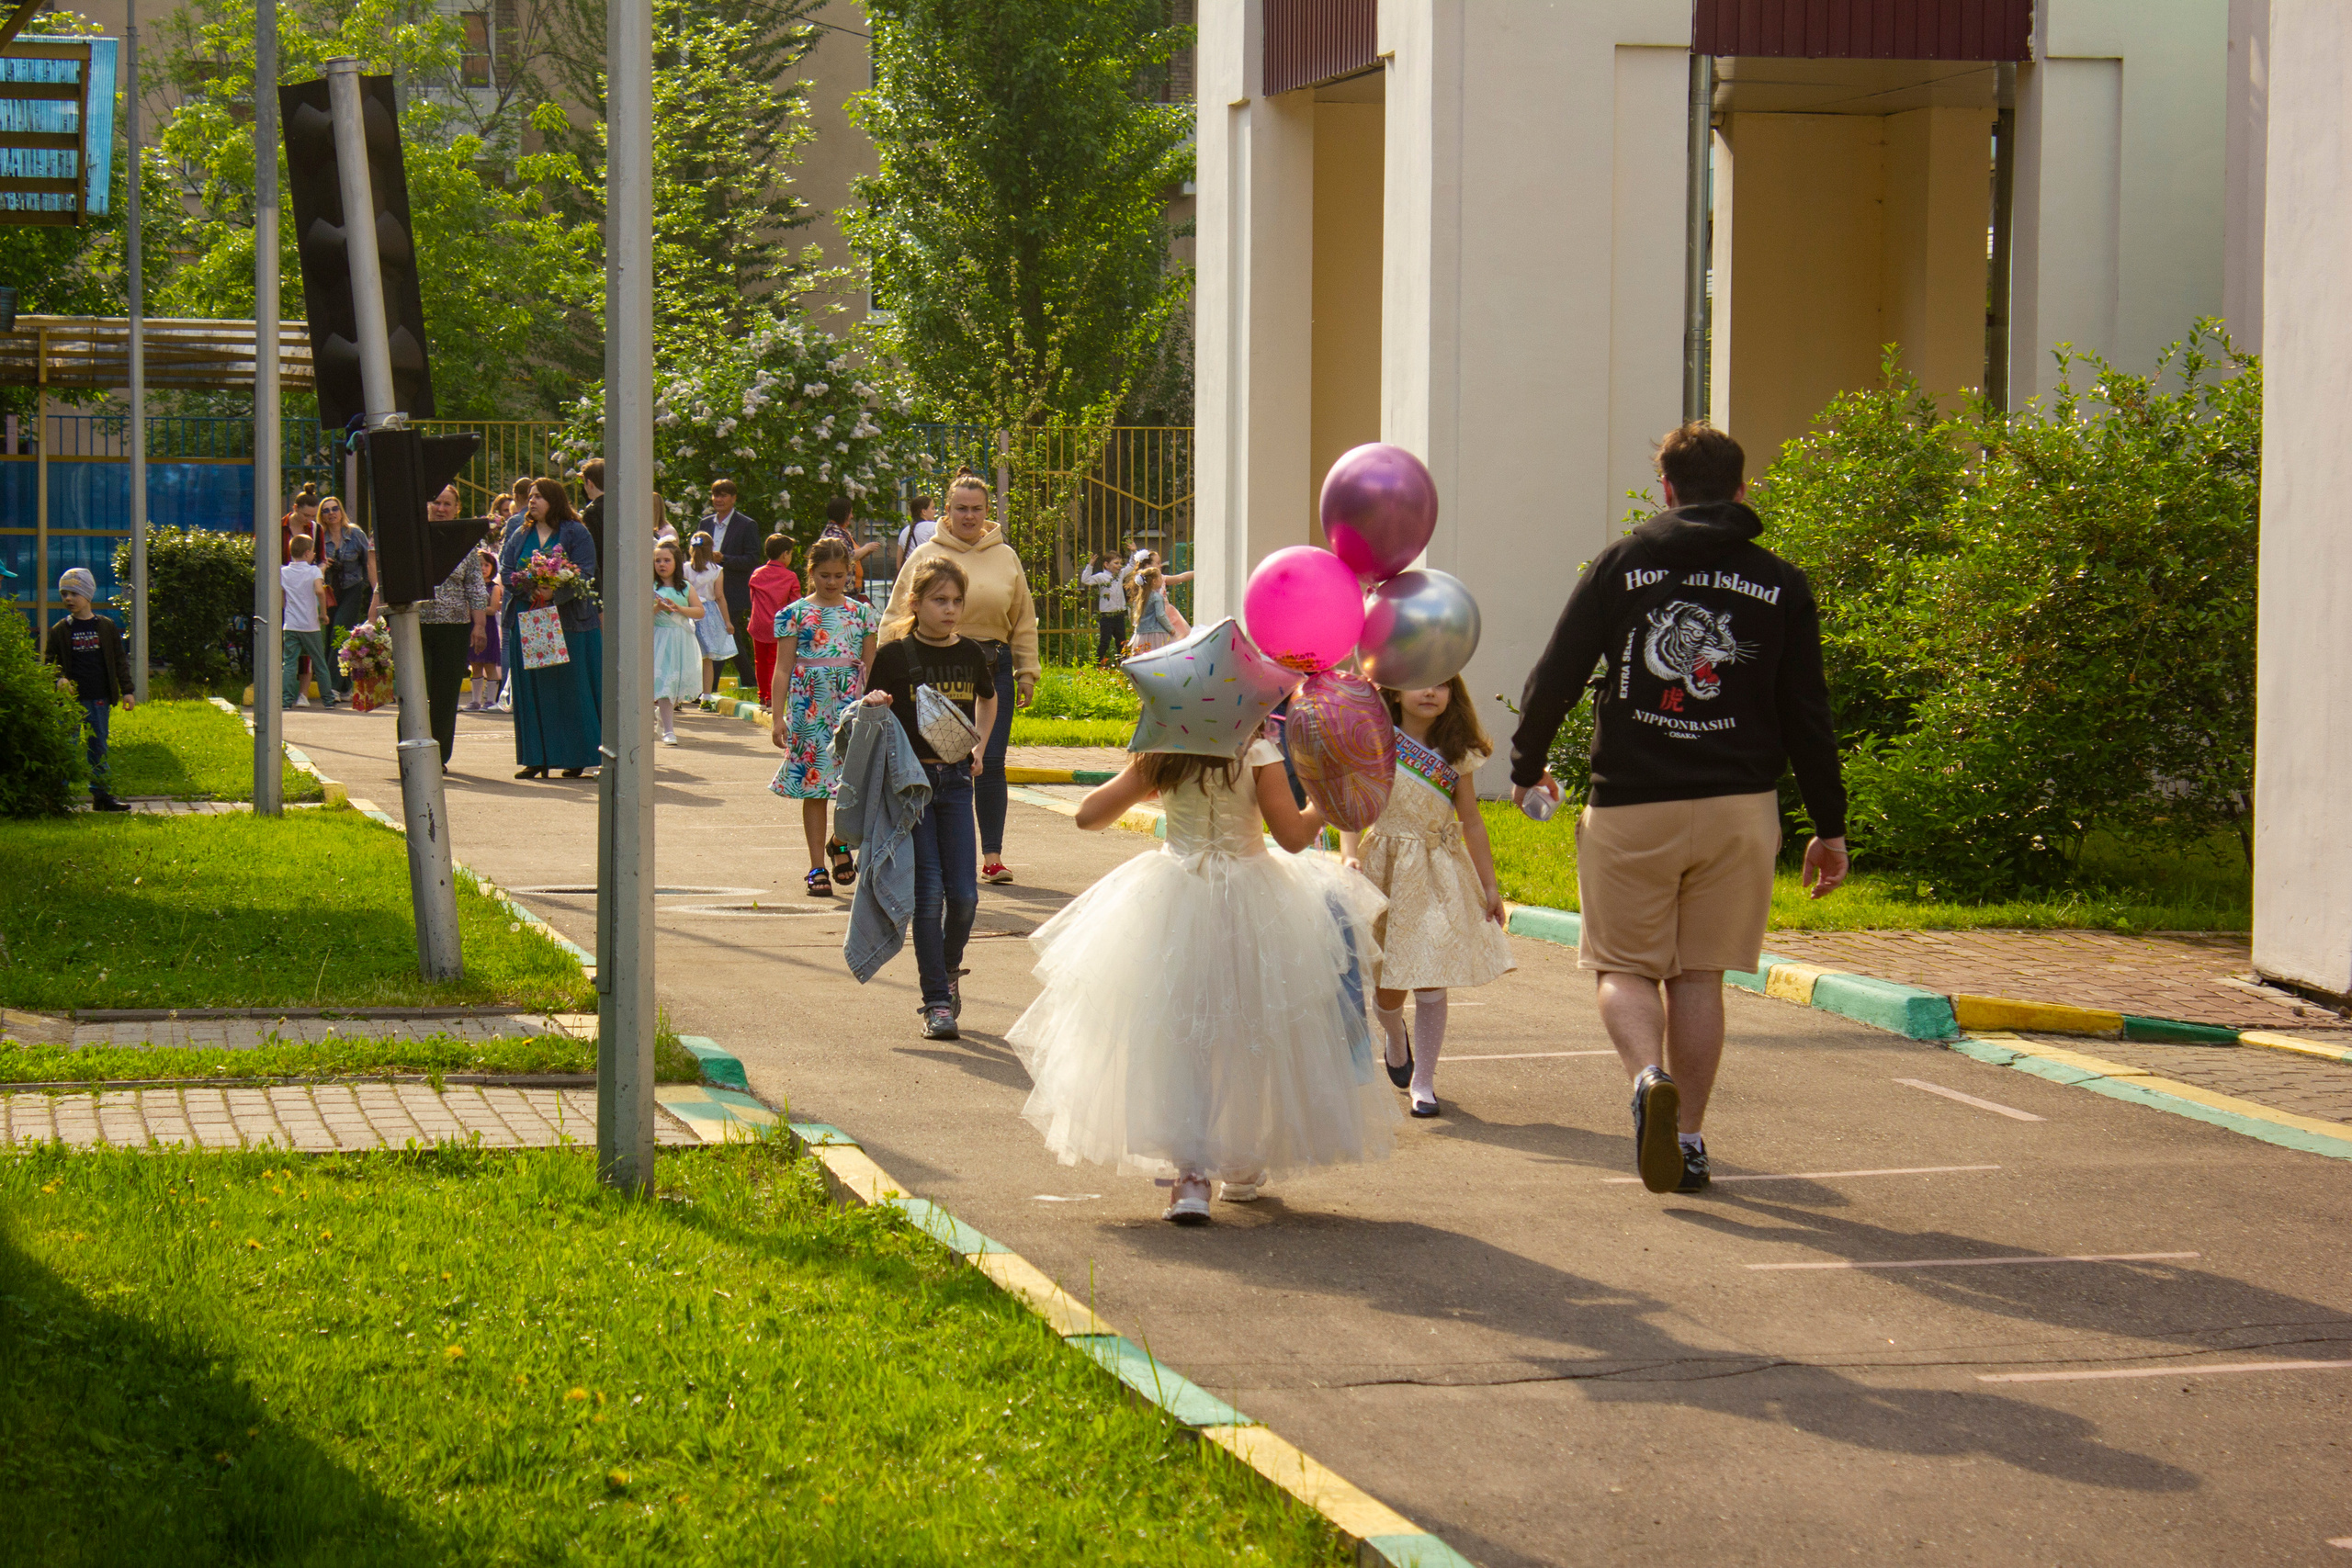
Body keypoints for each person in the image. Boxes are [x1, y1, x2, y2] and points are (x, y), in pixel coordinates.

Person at [1510, 422, 1849, 1196]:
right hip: (1738, 807)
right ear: (1740, 488)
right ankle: (1689, 1139)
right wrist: (1829, 827)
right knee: (1699, 978)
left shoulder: (1621, 566)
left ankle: (1645, 1078)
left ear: (1665, 487)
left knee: (1624, 966)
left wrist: (1527, 767)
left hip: (1633, 802)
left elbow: (1555, 676)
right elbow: (1807, 712)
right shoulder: (1781, 583)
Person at [1006, 728, 1394, 1223]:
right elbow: (1295, 838)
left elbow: (1087, 816)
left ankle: (1190, 1177)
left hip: (1176, 898)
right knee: (1251, 1031)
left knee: (1185, 1035)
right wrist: (1328, 800)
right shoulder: (1256, 752)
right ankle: (1239, 1160)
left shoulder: (1163, 752)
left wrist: (1150, 776)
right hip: (1253, 907)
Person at [1338, 676, 1513, 1119]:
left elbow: (1471, 820)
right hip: (1386, 868)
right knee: (1389, 987)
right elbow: (1353, 806)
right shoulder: (1376, 741)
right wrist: (1348, 857)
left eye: (1442, 685)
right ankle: (1395, 1036)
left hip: (1437, 869)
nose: (1431, 693)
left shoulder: (1458, 751)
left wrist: (1490, 886)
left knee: (1432, 971)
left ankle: (1425, 1081)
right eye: (1420, 684)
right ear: (1394, 690)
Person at [860, 556, 996, 1041]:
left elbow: (988, 695)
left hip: (957, 785)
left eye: (957, 601)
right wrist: (872, 703)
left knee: (963, 897)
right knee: (928, 896)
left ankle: (950, 966)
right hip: (912, 790)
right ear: (915, 603)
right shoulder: (896, 656)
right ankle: (936, 1001)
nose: (950, 609)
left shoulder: (974, 653)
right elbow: (871, 712)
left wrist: (978, 743)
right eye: (940, 600)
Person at [880, 468, 1038, 886]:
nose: (969, 517)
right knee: (931, 761)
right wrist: (887, 671)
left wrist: (1027, 670)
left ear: (988, 511)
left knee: (988, 761)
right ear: (946, 511)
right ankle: (925, 849)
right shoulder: (926, 554)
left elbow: (1023, 617)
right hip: (932, 668)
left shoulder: (1005, 555)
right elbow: (896, 613)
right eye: (961, 509)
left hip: (991, 666)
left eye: (977, 509)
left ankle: (992, 855)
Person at [769, 537, 879, 897]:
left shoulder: (862, 613)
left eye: (839, 575)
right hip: (809, 708)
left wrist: (874, 709)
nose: (831, 582)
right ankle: (817, 864)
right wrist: (777, 717)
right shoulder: (795, 614)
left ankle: (840, 843)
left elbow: (872, 666)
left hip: (850, 708)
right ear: (811, 572)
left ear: (849, 573)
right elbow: (783, 668)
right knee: (814, 787)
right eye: (824, 575)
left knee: (854, 786)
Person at [497, 477, 603, 779]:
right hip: (528, 616)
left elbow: (585, 571)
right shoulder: (520, 532)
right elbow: (506, 570)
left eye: (539, 496)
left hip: (568, 621)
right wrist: (528, 590)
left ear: (555, 500)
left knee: (569, 687)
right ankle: (536, 758)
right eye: (530, 496)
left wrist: (554, 592)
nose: (532, 501)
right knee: (532, 689)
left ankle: (576, 757)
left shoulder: (575, 531)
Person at [43, 567, 136, 811]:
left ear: (88, 594)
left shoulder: (105, 627)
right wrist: (59, 679)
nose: (68, 599)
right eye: (64, 594)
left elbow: (119, 660)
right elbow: (49, 662)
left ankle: (102, 796)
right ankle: (57, 797)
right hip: (70, 703)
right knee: (66, 747)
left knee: (98, 746)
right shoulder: (60, 630)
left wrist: (127, 690)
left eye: (74, 593)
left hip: (99, 699)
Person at [416, 483, 492, 770]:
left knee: (445, 694)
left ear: (457, 509)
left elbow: (475, 586)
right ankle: (411, 749)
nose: (441, 509)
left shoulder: (466, 544)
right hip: (416, 625)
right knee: (414, 689)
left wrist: (480, 626)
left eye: (447, 504)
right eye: (436, 502)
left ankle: (437, 757)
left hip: (454, 627)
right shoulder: (415, 537)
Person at [314, 494, 379, 706]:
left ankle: (331, 686)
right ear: (321, 515)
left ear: (341, 511)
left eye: (334, 509)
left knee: (339, 632)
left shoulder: (355, 533)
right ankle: (344, 687)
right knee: (332, 637)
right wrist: (324, 564)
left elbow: (367, 562)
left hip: (352, 589)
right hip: (329, 591)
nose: (331, 513)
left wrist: (374, 591)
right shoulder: (319, 536)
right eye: (326, 510)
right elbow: (311, 564)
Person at [702, 479, 763, 692]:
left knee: (722, 631)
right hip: (707, 590)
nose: (718, 499)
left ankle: (709, 688)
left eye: (724, 495)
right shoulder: (705, 524)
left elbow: (753, 559)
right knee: (730, 633)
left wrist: (724, 559)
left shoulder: (746, 525)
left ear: (734, 498)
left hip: (733, 591)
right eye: (715, 495)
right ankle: (749, 679)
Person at [650, 538, 706, 746]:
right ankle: (666, 728)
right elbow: (640, 617)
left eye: (666, 560)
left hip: (680, 641)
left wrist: (679, 609)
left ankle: (665, 723)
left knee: (672, 686)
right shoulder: (651, 586)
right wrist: (658, 608)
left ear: (676, 563)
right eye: (658, 561)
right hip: (658, 640)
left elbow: (700, 611)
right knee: (661, 684)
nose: (662, 564)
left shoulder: (685, 588)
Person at [747, 535, 800, 707]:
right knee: (774, 662)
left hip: (758, 624)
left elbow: (753, 598)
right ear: (785, 554)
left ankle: (762, 696)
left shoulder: (757, 573)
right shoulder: (790, 577)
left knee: (760, 661)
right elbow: (795, 603)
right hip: (779, 627)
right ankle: (771, 697)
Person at [279, 535, 329, 711]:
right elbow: (319, 591)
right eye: (313, 552)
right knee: (319, 662)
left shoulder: (283, 572)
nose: (314, 555)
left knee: (289, 663)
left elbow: (281, 598)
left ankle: (286, 700)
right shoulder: (313, 571)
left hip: (291, 625)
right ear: (308, 553)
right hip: (310, 625)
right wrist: (323, 613)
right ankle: (328, 699)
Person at [684, 531, 735, 696]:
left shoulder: (685, 568)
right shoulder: (716, 570)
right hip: (708, 614)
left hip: (688, 611)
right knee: (707, 659)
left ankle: (683, 694)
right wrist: (727, 621)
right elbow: (719, 597)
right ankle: (706, 696)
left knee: (687, 655)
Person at [467, 533, 504, 711]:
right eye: (479, 565)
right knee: (475, 665)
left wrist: (476, 609)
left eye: (486, 565)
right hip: (474, 626)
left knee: (489, 664)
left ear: (492, 567)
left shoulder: (494, 587)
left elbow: (493, 608)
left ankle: (490, 700)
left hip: (488, 628)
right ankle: (475, 700)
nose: (483, 568)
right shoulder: (470, 585)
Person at [1125, 565, 1189, 655]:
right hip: (1157, 634)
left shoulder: (1139, 599)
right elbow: (1160, 615)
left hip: (1141, 635)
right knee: (1158, 656)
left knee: (1143, 658)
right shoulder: (1157, 597)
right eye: (1160, 578)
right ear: (1154, 581)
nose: (1162, 579)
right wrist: (1170, 629)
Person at [1080, 552, 1128, 664]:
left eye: (1120, 563)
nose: (1119, 565)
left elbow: (1131, 566)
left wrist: (1133, 552)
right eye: (1116, 563)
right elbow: (1085, 580)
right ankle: (1096, 663)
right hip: (1107, 616)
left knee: (1121, 642)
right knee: (1105, 642)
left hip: (1119, 615)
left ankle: (1124, 665)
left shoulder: (1120, 575)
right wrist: (1090, 565)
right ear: (1106, 565)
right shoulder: (1101, 577)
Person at [577, 457, 606, 594]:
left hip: (602, 575)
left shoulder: (592, 512)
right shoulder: (621, 505)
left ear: (589, 483)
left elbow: (594, 550)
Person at [895, 495, 938, 577]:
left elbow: (898, 565)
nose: (935, 511)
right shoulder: (933, 527)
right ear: (924, 512)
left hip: (911, 578)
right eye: (932, 508)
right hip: (930, 577)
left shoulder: (904, 532)